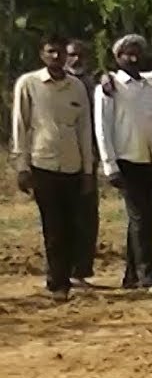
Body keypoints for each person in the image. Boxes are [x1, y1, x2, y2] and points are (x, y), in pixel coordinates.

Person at [10, 34, 94, 301]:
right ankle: (56, 283)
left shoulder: (76, 87)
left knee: (73, 225)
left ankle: (68, 277)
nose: (57, 57)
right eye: (51, 52)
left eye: (61, 52)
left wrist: (88, 171)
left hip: (72, 165)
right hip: (42, 163)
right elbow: (20, 126)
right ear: (42, 55)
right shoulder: (29, 84)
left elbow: (84, 129)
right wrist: (22, 166)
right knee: (53, 226)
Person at [95, 34, 152, 294]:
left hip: (148, 161)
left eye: (138, 51)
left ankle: (131, 275)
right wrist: (110, 165)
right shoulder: (110, 87)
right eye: (127, 53)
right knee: (141, 219)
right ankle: (149, 276)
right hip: (125, 161)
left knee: (143, 218)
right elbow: (102, 128)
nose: (133, 57)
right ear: (117, 57)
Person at [64, 38, 101, 287]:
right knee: (63, 217)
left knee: (87, 217)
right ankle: (62, 271)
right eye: (72, 55)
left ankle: (80, 271)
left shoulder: (93, 84)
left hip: (89, 160)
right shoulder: (56, 84)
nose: (76, 60)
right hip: (60, 160)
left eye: (81, 55)